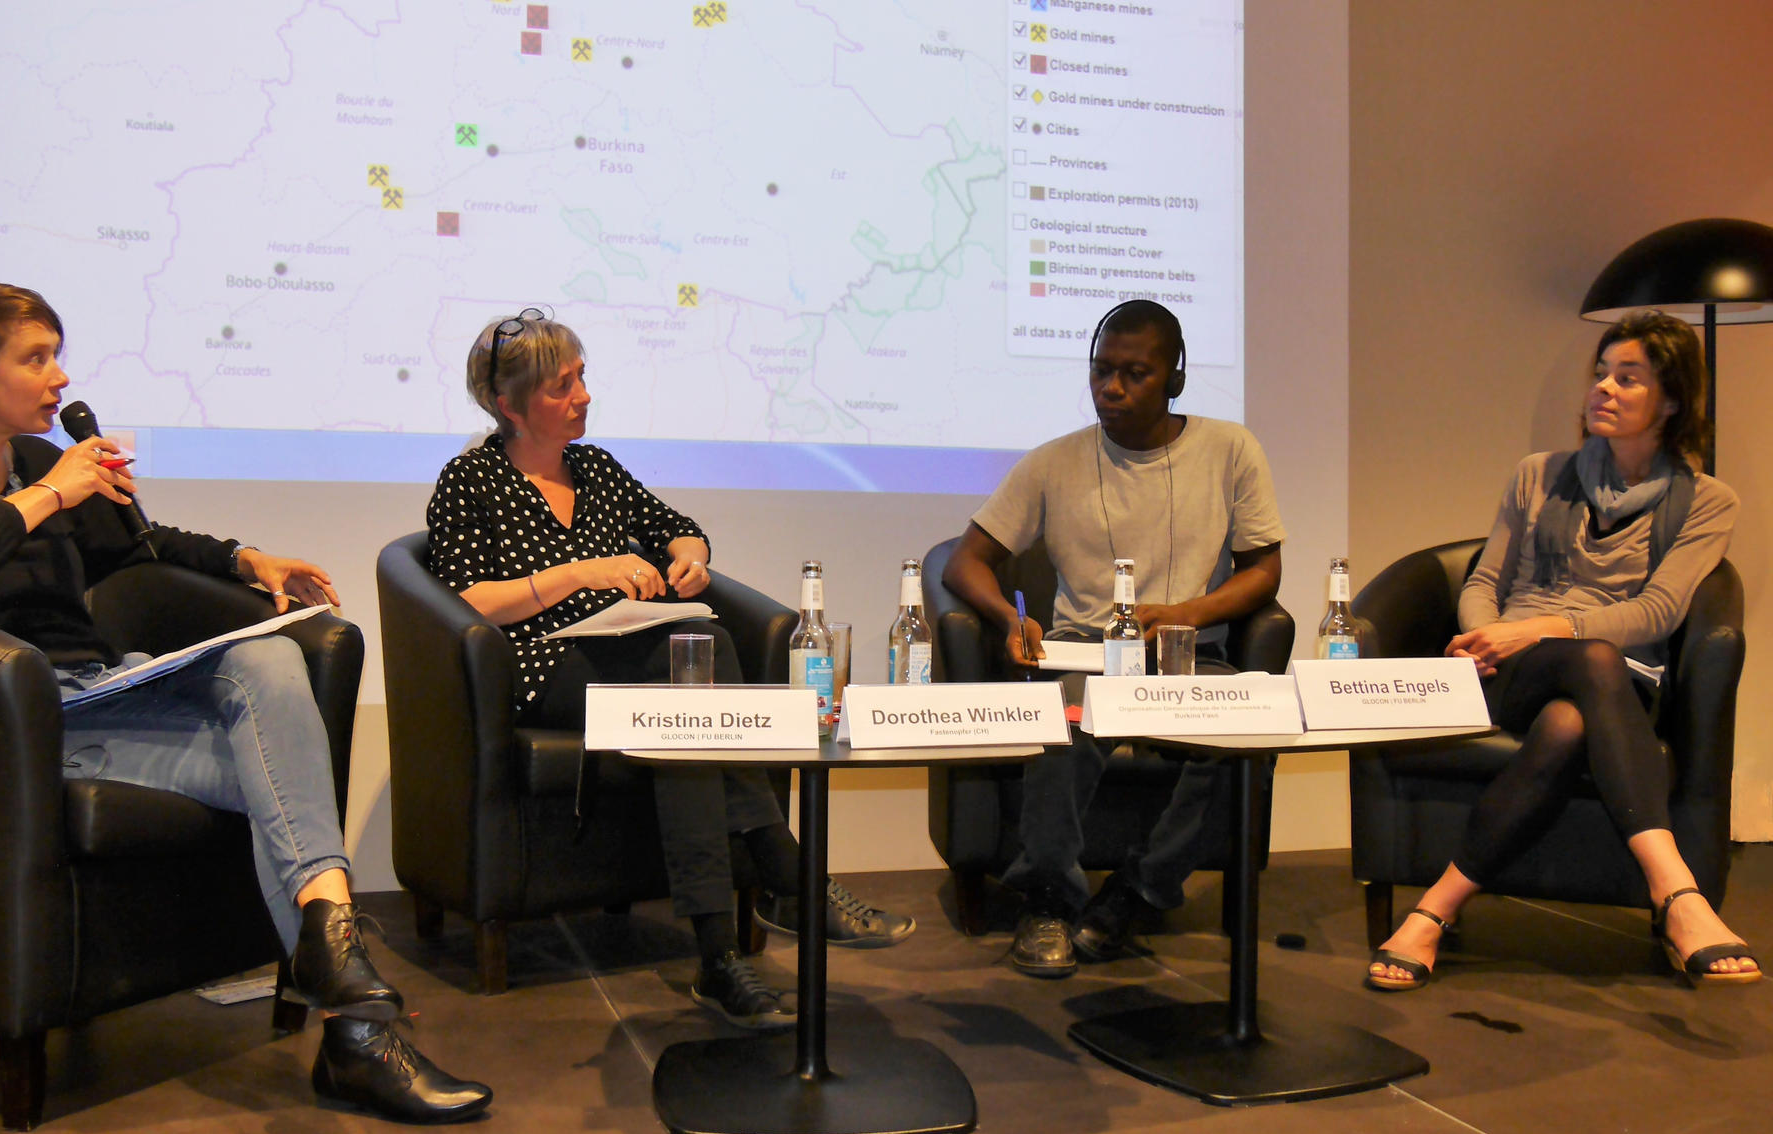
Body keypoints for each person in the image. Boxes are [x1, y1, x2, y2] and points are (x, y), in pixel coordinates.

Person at [0, 278, 492, 1123]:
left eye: (56, 355)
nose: (58, 377)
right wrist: (48, 497)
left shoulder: (37, 461)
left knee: (266, 660)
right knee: (286, 784)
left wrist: (245, 559)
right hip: (18, 725)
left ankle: (341, 985)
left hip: (103, 693)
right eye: (35, 358)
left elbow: (142, 547)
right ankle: (360, 1040)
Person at [423, 308, 914, 1028]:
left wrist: (690, 560)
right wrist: (580, 572)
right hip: (539, 666)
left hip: (630, 656)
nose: (584, 395)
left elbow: (678, 529)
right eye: (563, 386)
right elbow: (468, 599)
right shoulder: (471, 479)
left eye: (583, 376)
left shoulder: (596, 468)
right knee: (686, 675)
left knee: (693, 674)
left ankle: (722, 953)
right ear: (511, 405)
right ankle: (785, 875)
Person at [1367, 310, 1757, 990]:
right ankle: (1676, 891)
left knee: (1571, 720)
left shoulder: (1707, 502)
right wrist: (1487, 637)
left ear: (1671, 400)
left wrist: (1538, 629)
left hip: (1616, 681)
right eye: (1600, 373)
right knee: (1591, 659)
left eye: (1628, 378)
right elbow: (1483, 582)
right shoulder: (1538, 475)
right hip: (1509, 669)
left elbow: (1658, 612)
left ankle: (1434, 910)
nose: (1603, 388)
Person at [942, 299, 1285, 977]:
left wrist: (1187, 611)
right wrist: (1010, 617)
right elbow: (965, 562)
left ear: (1175, 378)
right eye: (1102, 371)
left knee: (1252, 729)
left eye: (1135, 373)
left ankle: (1138, 890)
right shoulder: (1052, 462)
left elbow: (1264, 571)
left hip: (1189, 656)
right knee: (1064, 721)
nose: (1112, 388)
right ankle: (1047, 900)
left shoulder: (1231, 449)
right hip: (1086, 652)